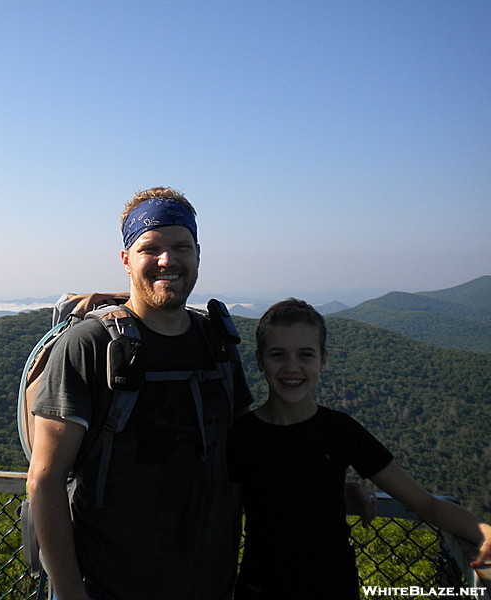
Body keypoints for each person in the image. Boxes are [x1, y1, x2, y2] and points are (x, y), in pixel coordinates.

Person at [26, 187, 254, 600]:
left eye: (181, 246)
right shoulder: (89, 346)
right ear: (126, 259)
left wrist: (325, 480)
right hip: (108, 586)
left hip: (210, 584)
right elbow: (45, 480)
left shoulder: (218, 344)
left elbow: (242, 457)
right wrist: (71, 593)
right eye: (151, 248)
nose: (168, 259)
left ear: (198, 254)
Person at [228, 298, 491, 599]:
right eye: (278, 355)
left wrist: (484, 531)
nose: (292, 367)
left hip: (334, 588)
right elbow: (226, 522)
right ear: (260, 360)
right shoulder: (242, 436)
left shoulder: (341, 431)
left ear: (322, 360)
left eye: (305, 355)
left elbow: (425, 503)